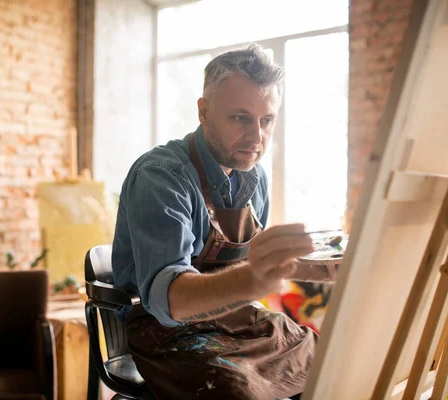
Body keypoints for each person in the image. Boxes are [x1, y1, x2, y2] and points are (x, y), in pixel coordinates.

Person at [111, 44, 318, 400]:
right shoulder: (161, 177)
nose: (256, 138)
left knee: (325, 358)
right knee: (234, 390)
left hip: (233, 318)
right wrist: (252, 279)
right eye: (240, 118)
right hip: (165, 330)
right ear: (203, 111)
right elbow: (168, 299)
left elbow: (250, 266)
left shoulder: (255, 177)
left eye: (266, 121)